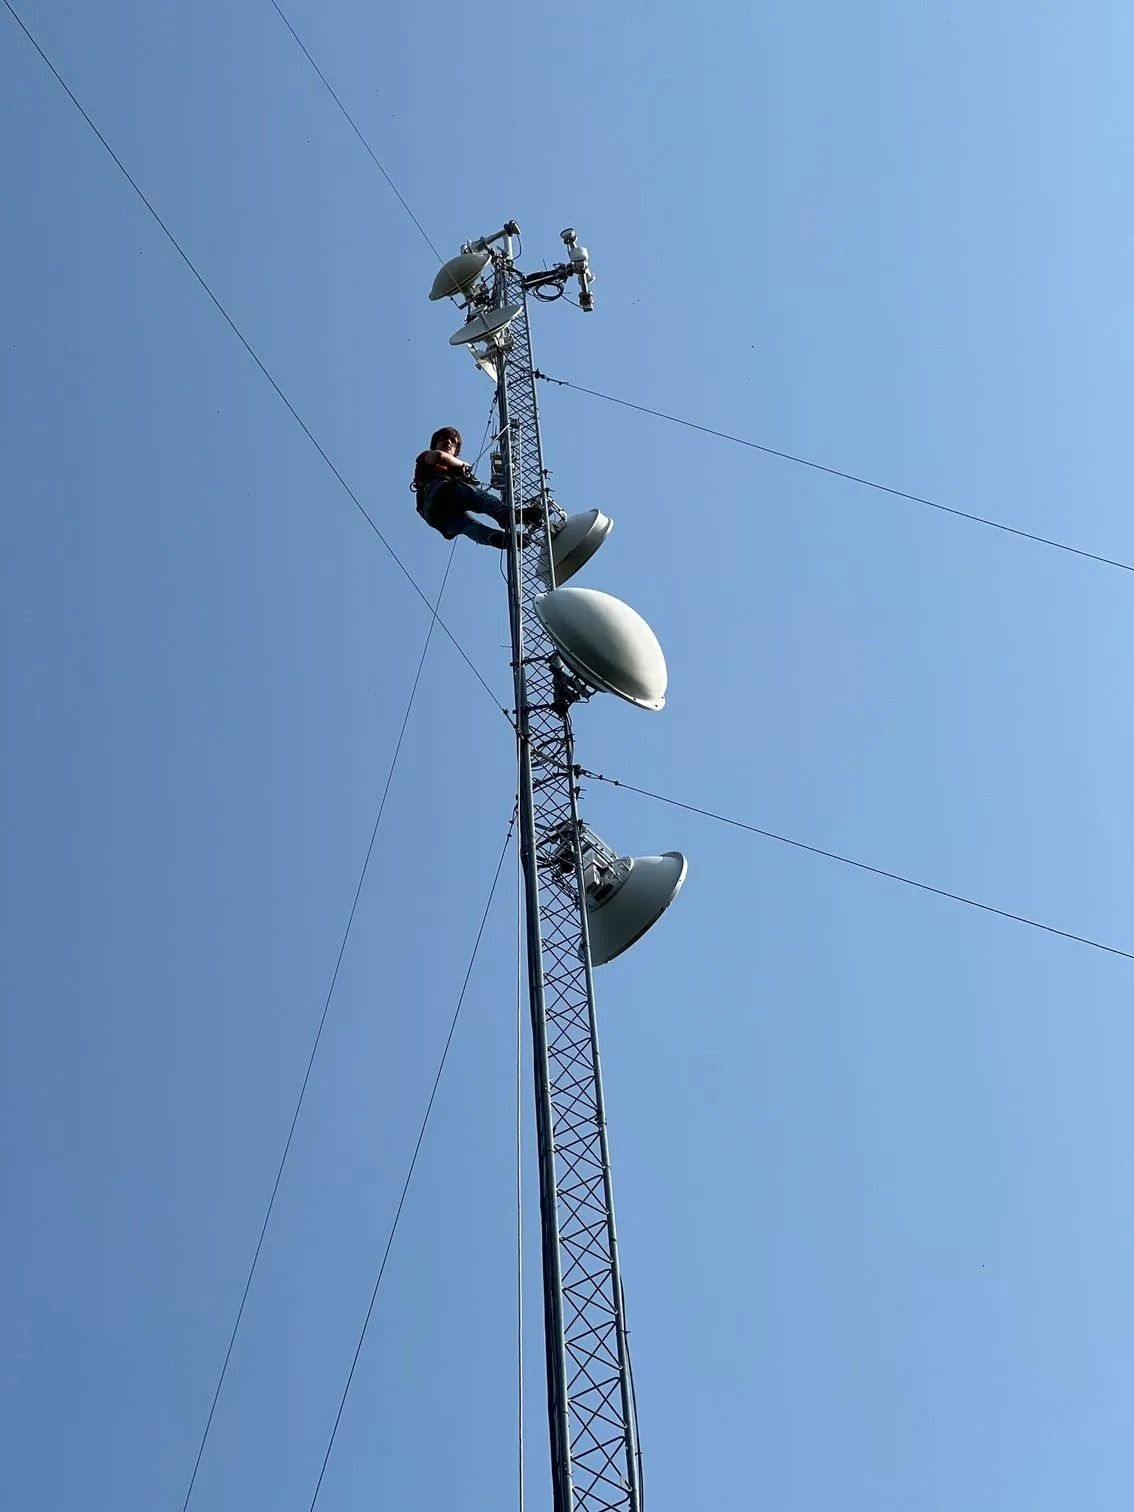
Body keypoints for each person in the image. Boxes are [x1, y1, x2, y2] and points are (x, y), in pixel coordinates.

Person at [411, 427, 542, 548]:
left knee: (468, 527)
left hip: (436, 518)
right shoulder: (425, 457)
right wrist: (463, 465)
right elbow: (439, 456)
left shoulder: (453, 473)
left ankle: (498, 538)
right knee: (481, 498)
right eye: (443, 438)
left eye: (453, 441)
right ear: (434, 444)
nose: (448, 442)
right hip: (438, 493)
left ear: (456, 450)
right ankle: (504, 515)